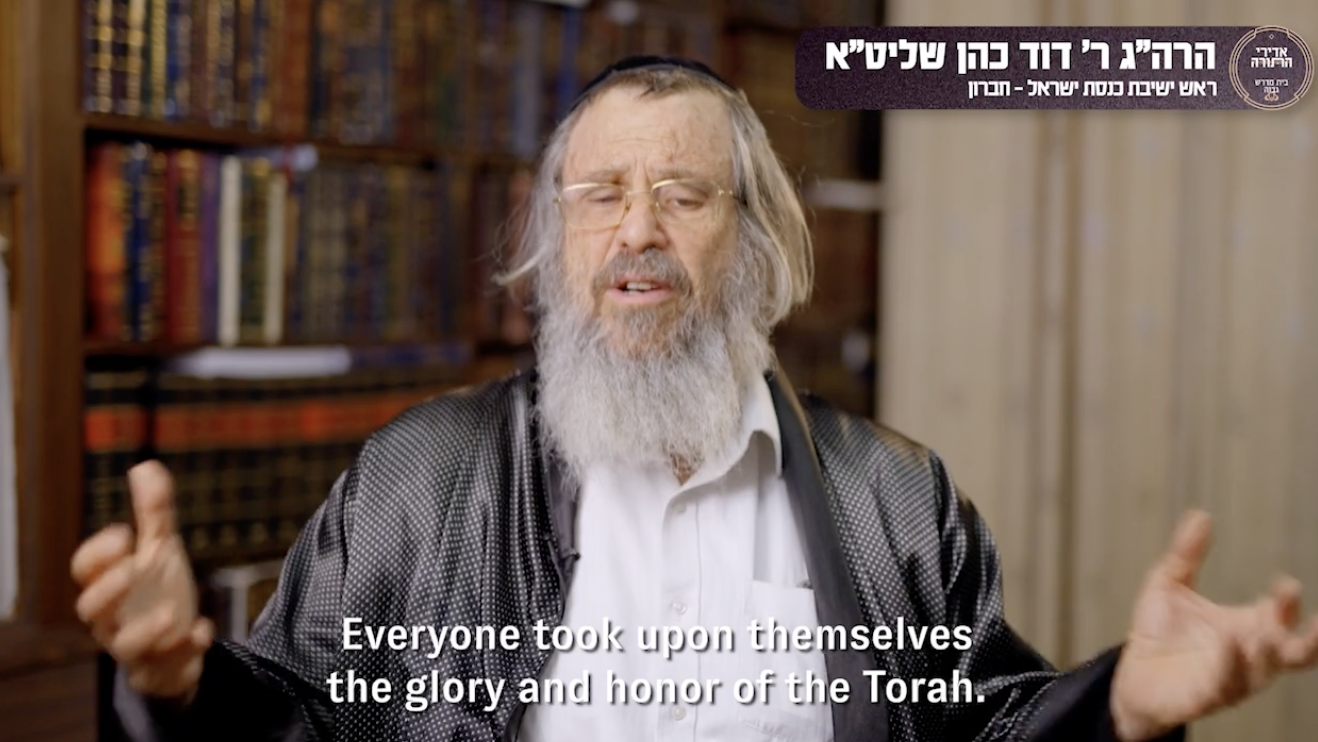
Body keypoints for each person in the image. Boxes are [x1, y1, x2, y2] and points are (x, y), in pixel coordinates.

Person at [71, 56, 1317, 742]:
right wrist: (181, 682)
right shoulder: (419, 472)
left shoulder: (895, 495)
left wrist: (1119, 707)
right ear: (555, 244)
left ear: (754, 242)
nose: (637, 230)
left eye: (683, 194)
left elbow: (988, 727)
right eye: (600, 195)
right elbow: (296, 722)